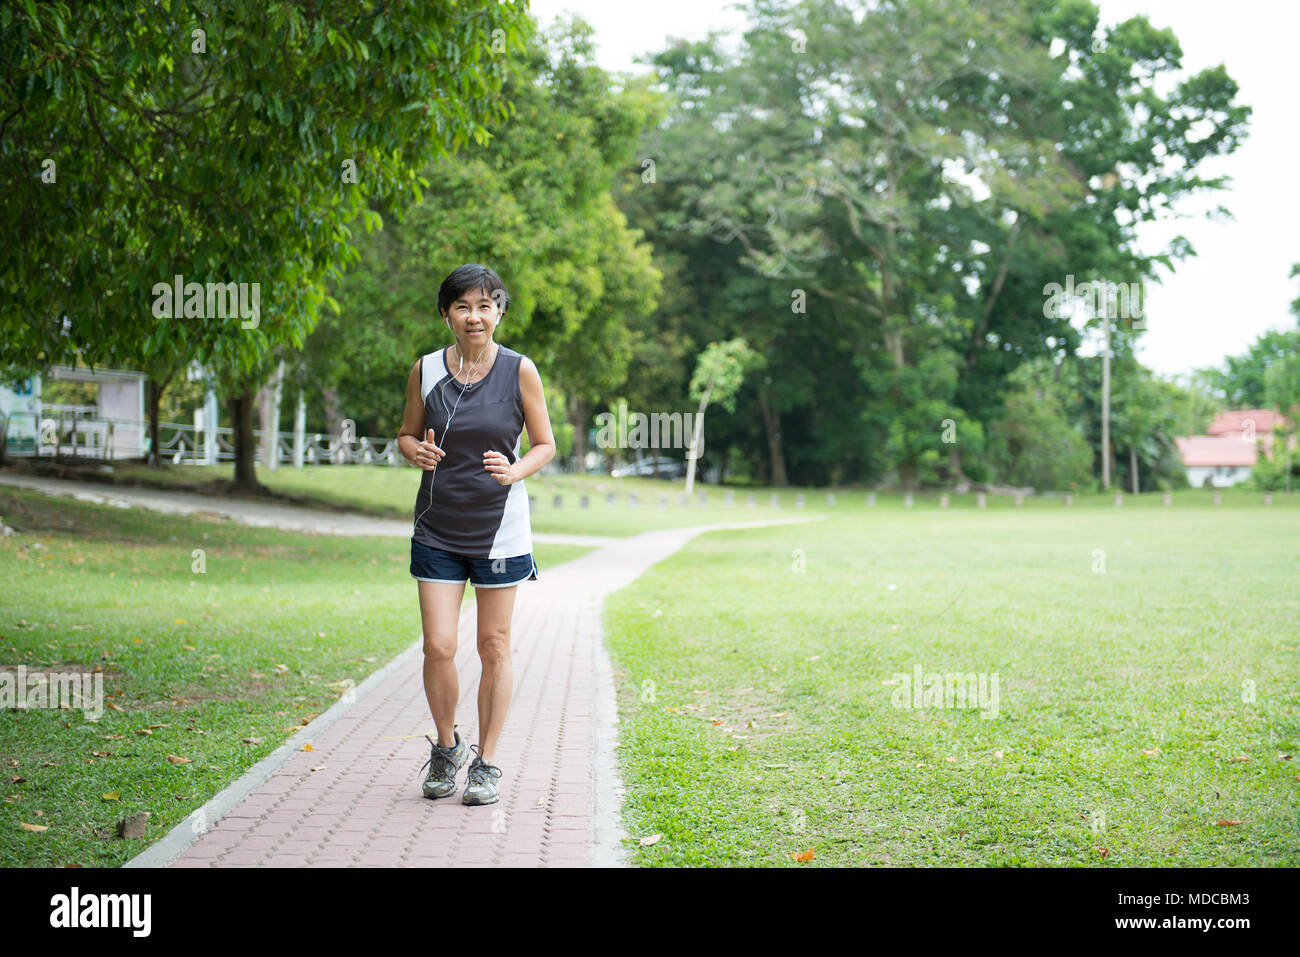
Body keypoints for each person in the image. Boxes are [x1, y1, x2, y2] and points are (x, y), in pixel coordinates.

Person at [398, 264, 555, 806]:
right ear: (446, 314)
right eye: (463, 306)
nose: (475, 316)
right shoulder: (424, 370)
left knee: (494, 645)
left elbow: (544, 444)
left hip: (499, 531)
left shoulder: (520, 370)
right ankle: (447, 749)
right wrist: (412, 449)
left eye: (485, 305)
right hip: (437, 527)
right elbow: (406, 432)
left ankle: (487, 762)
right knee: (439, 645)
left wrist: (516, 471)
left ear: (499, 311)